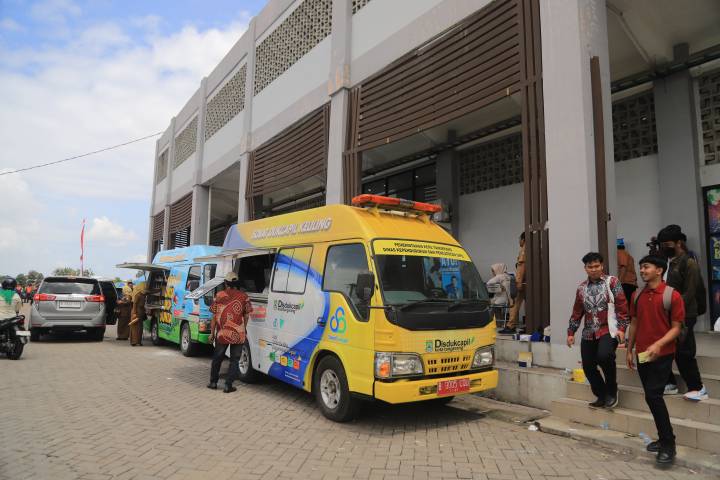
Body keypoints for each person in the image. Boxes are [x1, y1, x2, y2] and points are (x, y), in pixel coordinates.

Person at [626, 255, 685, 465]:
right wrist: (629, 349)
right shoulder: (637, 295)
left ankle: (668, 445)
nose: (642, 271)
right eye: (641, 268)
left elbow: (676, 328)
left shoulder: (672, 295)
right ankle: (663, 438)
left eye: (646, 267)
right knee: (651, 397)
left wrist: (659, 344)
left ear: (659, 270)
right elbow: (634, 322)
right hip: (643, 353)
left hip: (663, 354)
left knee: (653, 395)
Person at [567, 252, 629, 409]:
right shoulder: (581, 288)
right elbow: (577, 312)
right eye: (590, 267)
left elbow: (622, 306)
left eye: (596, 266)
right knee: (588, 366)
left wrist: (622, 329)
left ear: (602, 266)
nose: (594, 269)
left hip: (609, 329)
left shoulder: (612, 282)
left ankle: (612, 390)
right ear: (585, 268)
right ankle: (601, 395)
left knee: (604, 356)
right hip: (589, 332)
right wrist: (571, 333)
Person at [657, 225, 707, 401]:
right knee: (664, 349)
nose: (664, 248)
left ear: (678, 243)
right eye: (662, 245)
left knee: (684, 351)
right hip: (666, 313)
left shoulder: (689, 263)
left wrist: (672, 308)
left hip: (685, 314)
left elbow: (690, 292)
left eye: (668, 244)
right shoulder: (664, 262)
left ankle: (697, 387)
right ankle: (670, 383)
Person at [208, 272, 253, 393]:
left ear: (225, 283)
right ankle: (228, 385)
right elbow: (247, 315)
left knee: (218, 358)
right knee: (235, 360)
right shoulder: (244, 296)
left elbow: (214, 316)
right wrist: (243, 328)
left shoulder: (219, 295)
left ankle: (213, 382)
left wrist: (212, 333)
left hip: (222, 333)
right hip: (238, 333)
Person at [502, 232, 526, 334]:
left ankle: (511, 325)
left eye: (519, 239)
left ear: (523, 240)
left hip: (522, 282)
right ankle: (529, 325)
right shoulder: (531, 248)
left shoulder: (524, 249)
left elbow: (521, 267)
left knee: (515, 303)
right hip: (528, 282)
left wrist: (519, 282)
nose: (519, 242)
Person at [129, 282, 146, 346]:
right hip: (136, 312)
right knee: (134, 327)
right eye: (144, 286)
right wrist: (134, 313)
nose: (145, 287)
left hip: (141, 312)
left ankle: (139, 341)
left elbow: (150, 292)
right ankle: (134, 342)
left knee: (140, 328)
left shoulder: (143, 294)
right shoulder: (138, 295)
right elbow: (134, 304)